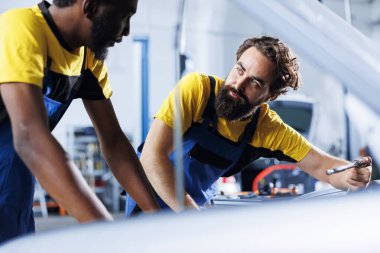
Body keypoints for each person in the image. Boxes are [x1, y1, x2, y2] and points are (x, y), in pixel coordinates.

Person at [126, 36, 372, 214]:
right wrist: (191, 217)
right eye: (239, 70)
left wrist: (353, 174)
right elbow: (151, 157)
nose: (238, 85)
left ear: (269, 96)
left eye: (254, 82)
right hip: (148, 200)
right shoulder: (197, 90)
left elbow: (323, 166)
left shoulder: (266, 128)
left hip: (194, 207)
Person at [0, 0, 159, 243]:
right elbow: (30, 137)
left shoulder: (88, 59)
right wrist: (107, 233)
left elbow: (115, 143)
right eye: (124, 16)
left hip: (15, 183)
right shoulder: (22, 27)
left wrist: (157, 216)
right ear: (90, 6)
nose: (126, 31)